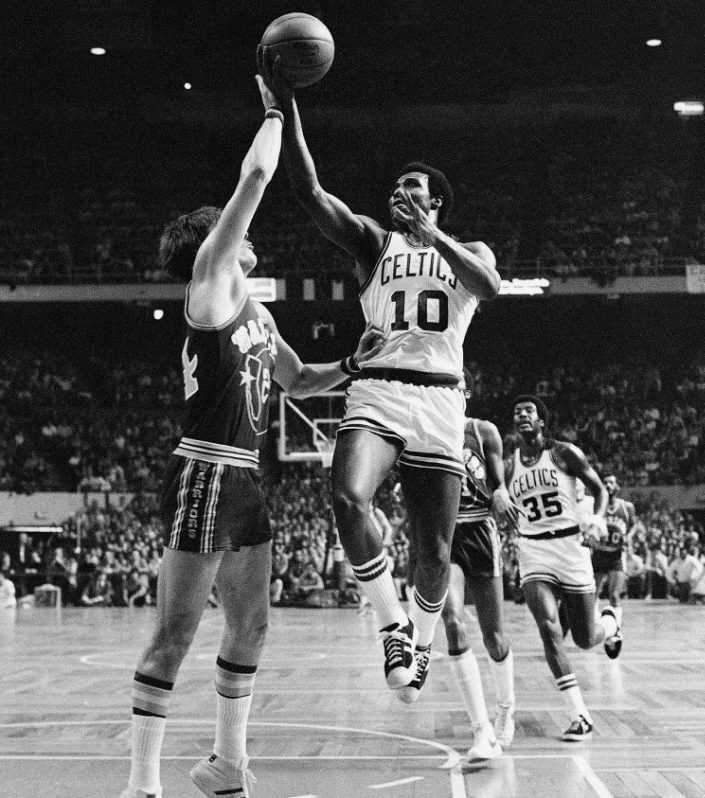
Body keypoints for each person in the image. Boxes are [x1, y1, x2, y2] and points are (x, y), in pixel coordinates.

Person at [119, 77, 385, 798]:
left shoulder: (257, 318)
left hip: (244, 478)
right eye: (232, 231)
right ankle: (142, 783)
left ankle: (227, 765)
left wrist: (363, 362)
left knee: (253, 628)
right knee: (174, 635)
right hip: (206, 469)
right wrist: (277, 108)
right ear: (216, 244)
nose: (246, 235)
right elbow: (260, 173)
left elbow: (300, 382)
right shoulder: (212, 285)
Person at [257, 49, 501, 701]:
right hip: (378, 390)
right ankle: (393, 627)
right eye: (395, 189)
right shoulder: (373, 243)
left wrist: (434, 237)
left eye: (412, 190)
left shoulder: (469, 251)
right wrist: (286, 109)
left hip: (442, 401)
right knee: (348, 496)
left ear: (438, 201)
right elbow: (309, 193)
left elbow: (491, 286)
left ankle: (420, 643)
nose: (398, 194)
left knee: (433, 553)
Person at [506, 395, 622, 742]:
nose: (522, 415)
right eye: (517, 412)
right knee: (549, 629)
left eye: (528, 411)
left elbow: (599, 490)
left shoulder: (563, 453)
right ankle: (579, 716)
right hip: (533, 549)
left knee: (586, 639)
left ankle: (612, 623)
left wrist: (597, 520)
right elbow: (496, 494)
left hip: (571, 547)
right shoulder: (509, 463)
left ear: (541, 421)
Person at [440, 375, 518, 762]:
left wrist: (501, 491)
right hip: (445, 534)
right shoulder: (424, 430)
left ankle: (505, 707)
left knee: (495, 637)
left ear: (465, 394)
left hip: (480, 531)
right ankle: (481, 730)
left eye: (455, 389)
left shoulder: (482, 430)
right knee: (453, 622)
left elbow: (498, 479)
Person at [591, 475, 636, 613]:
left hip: (616, 555)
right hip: (599, 552)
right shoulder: (595, 504)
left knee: (615, 596)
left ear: (617, 487)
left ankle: (616, 630)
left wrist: (628, 536)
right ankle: (592, 627)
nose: (608, 485)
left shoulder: (627, 506)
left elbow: (634, 525)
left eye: (611, 482)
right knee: (592, 595)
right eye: (605, 482)